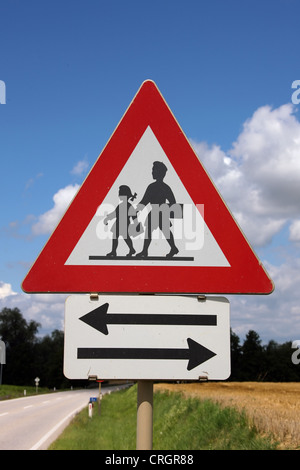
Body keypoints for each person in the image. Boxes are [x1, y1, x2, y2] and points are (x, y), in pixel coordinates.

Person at [136, 161, 179, 258]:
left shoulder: (158, 187)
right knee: (155, 231)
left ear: (159, 172)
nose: (152, 172)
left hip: (160, 212)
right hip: (157, 212)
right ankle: (146, 251)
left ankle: (146, 251)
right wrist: (135, 210)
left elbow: (173, 203)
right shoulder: (160, 187)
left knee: (160, 231)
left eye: (154, 170)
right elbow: (144, 201)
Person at [104, 185, 137, 257]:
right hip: (118, 223)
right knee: (115, 236)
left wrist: (136, 224)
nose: (119, 195)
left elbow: (134, 215)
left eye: (120, 193)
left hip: (124, 224)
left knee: (126, 237)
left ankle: (131, 249)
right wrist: (107, 218)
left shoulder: (129, 205)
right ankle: (114, 251)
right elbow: (115, 214)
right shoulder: (120, 205)